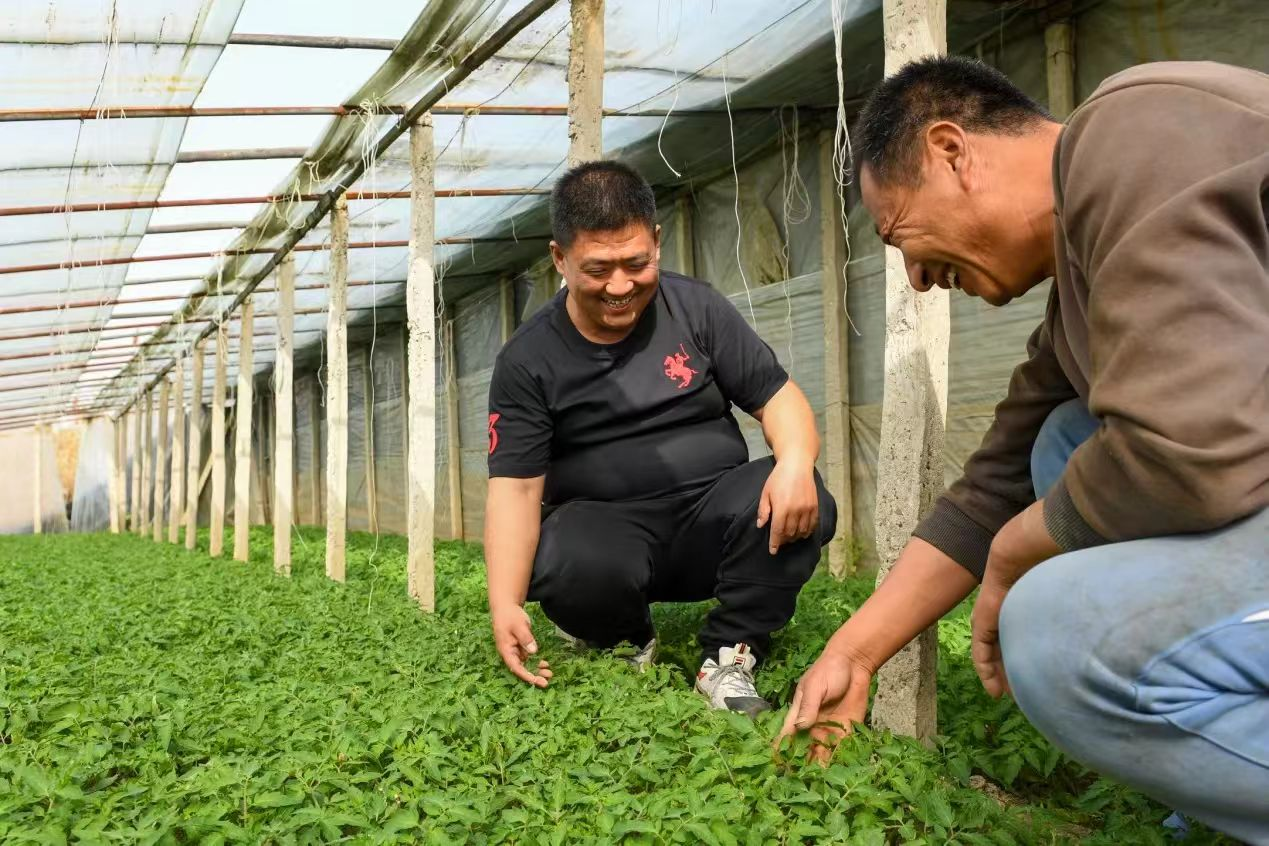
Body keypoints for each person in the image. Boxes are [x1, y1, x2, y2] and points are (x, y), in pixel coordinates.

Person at [779, 57, 1269, 843]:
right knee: (1064, 440)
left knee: (1057, 634)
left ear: (951, 152)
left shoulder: (1132, 132)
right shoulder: (1081, 284)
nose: (915, 277)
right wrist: (855, 653)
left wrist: (1014, 553)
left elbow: (1189, 448)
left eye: (898, 234)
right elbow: (990, 490)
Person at [483, 160, 837, 715]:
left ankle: (729, 656)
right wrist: (503, 602)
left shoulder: (695, 308)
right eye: (598, 269)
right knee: (565, 554)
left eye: (636, 263)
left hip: (711, 519)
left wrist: (793, 462)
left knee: (800, 488)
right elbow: (516, 490)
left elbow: (777, 397)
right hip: (608, 533)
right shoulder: (528, 360)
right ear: (559, 258)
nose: (620, 286)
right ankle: (623, 639)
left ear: (657, 242)